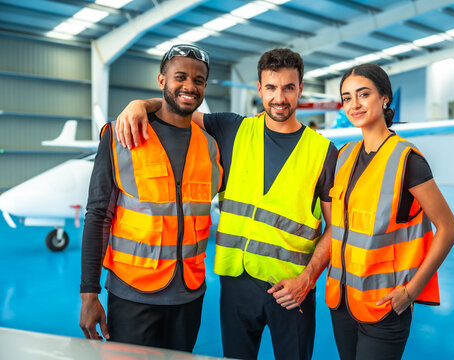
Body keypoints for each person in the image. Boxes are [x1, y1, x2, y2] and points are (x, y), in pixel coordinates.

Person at [115, 48, 338, 360]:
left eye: (289, 87)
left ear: (300, 88)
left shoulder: (324, 152)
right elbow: (177, 106)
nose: (280, 98)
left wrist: (308, 279)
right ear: (259, 89)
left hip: (292, 289)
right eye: (271, 88)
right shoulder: (232, 129)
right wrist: (139, 104)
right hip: (236, 285)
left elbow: (337, 227)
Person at [79, 44, 223, 352]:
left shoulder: (210, 146)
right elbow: (98, 216)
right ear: (162, 81)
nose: (189, 86)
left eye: (198, 80)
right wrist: (89, 294)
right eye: (180, 77)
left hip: (189, 295)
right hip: (133, 295)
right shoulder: (121, 135)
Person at [325, 63, 454, 360]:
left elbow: (449, 229)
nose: (354, 104)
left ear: (384, 98)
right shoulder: (344, 156)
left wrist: (411, 292)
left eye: (363, 94)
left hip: (386, 306)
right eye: (347, 98)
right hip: (342, 302)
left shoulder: (407, 159)